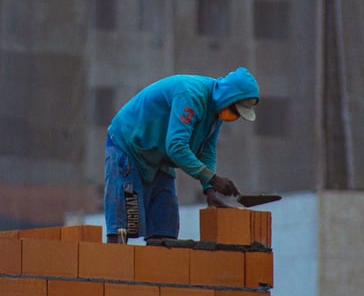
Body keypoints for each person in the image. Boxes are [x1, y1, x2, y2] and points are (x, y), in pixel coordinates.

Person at [104, 67, 260, 242]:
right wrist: (214, 179)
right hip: (129, 147)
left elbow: (207, 150)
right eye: (233, 111)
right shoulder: (191, 95)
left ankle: (157, 268)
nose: (232, 117)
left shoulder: (216, 113)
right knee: (125, 227)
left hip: (160, 157)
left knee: (165, 228)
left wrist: (209, 190)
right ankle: (113, 268)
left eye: (236, 116)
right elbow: (176, 147)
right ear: (227, 96)